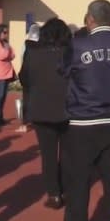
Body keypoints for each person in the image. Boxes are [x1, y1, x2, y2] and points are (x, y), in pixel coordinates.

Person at [49, 0, 110, 221]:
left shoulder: (76, 45)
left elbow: (63, 72)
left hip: (83, 121)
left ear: (89, 19)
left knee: (78, 181)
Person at [19, 18, 72, 210]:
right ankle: (66, 188)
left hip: (42, 108)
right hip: (68, 109)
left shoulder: (33, 54)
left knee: (48, 155)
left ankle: (54, 193)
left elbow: (24, 79)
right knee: (67, 154)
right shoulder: (70, 53)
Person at [16, 24, 41, 133]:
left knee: (26, 99)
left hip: (27, 76)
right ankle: (37, 122)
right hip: (37, 77)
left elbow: (22, 59)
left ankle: (25, 124)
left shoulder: (26, 45)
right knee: (37, 99)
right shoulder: (42, 45)